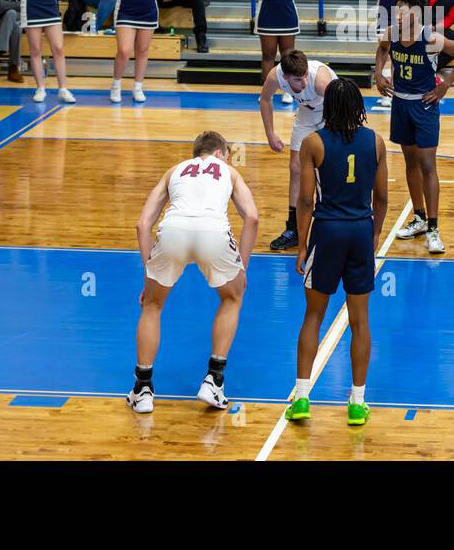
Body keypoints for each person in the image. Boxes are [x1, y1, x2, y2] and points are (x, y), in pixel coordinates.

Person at [127, 130, 260, 414]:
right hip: (214, 232)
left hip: (173, 229)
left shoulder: (173, 171)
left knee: (151, 305)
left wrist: (148, 273)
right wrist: (242, 267)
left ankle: (143, 389)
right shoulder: (229, 171)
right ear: (221, 154)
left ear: (196, 154)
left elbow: (142, 225)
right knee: (232, 298)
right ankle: (214, 380)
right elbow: (252, 217)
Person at [285, 77, 389, 426]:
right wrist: (374, 234)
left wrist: (301, 245)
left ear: (327, 106)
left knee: (313, 316)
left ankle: (301, 398)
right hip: (360, 230)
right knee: (360, 321)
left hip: (326, 231)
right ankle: (357, 403)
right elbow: (383, 197)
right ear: (359, 106)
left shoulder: (313, 143)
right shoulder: (375, 141)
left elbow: (304, 200)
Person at [374, 0, 454, 254]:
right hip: (400, 104)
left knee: (428, 165)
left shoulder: (430, 38)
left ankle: (433, 228)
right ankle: (418, 218)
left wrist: (446, 84)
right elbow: (382, 49)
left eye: (404, 8)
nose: (398, 12)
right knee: (410, 163)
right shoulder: (392, 34)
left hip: (424, 104)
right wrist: (378, 75)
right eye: (397, 8)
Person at [259, 48, 335, 252]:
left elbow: (340, 105)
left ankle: (334, 220)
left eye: (304, 78)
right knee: (295, 168)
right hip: (306, 114)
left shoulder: (320, 81)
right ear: (285, 77)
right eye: (297, 80)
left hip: (332, 112)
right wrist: (270, 134)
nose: (302, 84)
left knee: (331, 165)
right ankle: (292, 229)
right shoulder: (275, 76)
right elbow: (265, 100)